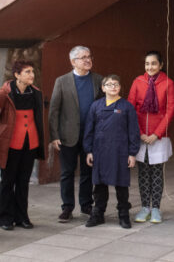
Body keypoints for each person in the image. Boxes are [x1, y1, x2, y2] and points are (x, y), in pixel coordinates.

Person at [48, 46, 103, 222]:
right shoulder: (62, 81)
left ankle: (86, 204)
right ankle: (67, 207)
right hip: (67, 135)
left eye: (89, 56)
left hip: (90, 136)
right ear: (73, 62)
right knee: (67, 172)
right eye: (83, 57)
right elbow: (54, 110)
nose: (87, 60)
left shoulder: (98, 80)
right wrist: (54, 135)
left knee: (88, 172)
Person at [0, 60, 45, 230]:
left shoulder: (35, 92)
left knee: (23, 181)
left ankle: (22, 217)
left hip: (30, 141)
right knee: (7, 181)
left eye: (32, 72)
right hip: (10, 142)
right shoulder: (5, 93)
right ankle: (5, 218)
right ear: (17, 75)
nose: (32, 75)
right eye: (27, 72)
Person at [83, 75, 141, 229]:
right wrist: (88, 150)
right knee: (99, 185)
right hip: (100, 151)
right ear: (103, 88)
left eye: (116, 84)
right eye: (109, 84)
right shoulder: (95, 106)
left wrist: (132, 153)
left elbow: (134, 132)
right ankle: (98, 214)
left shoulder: (127, 106)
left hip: (120, 152)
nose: (113, 87)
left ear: (120, 87)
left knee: (121, 186)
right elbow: (89, 130)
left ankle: (123, 215)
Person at [127, 51, 174, 224]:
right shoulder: (137, 82)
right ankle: (144, 207)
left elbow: (170, 110)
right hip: (140, 135)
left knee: (156, 172)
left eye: (154, 63)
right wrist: (139, 132)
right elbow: (131, 108)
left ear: (161, 65)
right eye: (147, 64)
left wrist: (157, 133)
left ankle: (155, 207)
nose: (150, 67)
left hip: (159, 136)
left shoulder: (168, 83)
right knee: (142, 172)